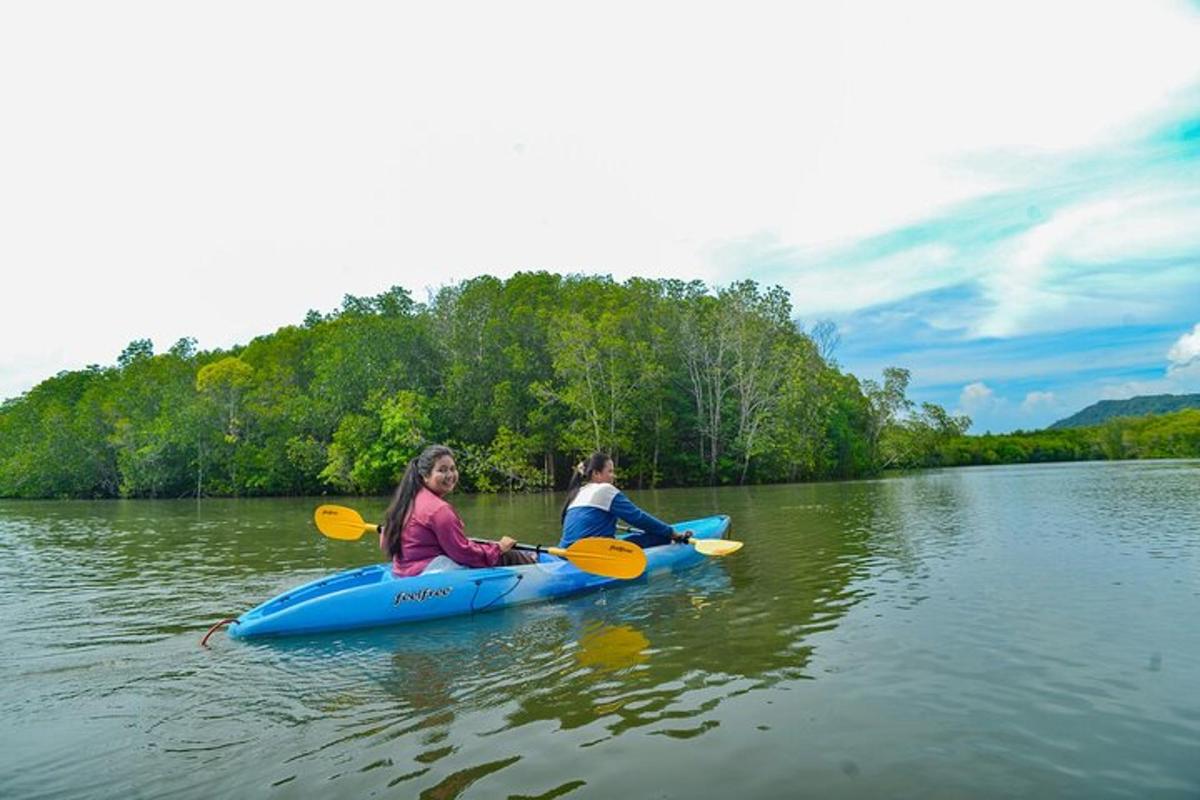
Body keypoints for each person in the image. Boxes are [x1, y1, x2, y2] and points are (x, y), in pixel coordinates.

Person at [381, 444, 535, 576]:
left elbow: (384, 543)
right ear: (425, 476)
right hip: (427, 573)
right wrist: (498, 549)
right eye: (442, 470)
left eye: (452, 469)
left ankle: (531, 560)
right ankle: (537, 568)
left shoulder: (405, 501)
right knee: (509, 556)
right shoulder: (438, 510)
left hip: (403, 571)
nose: (450, 475)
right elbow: (462, 553)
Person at [559, 452, 690, 549]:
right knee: (661, 536)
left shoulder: (577, 492)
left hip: (566, 552)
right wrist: (671, 532)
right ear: (596, 474)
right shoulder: (605, 489)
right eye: (610, 471)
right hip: (596, 554)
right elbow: (638, 518)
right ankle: (672, 543)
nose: (613, 476)